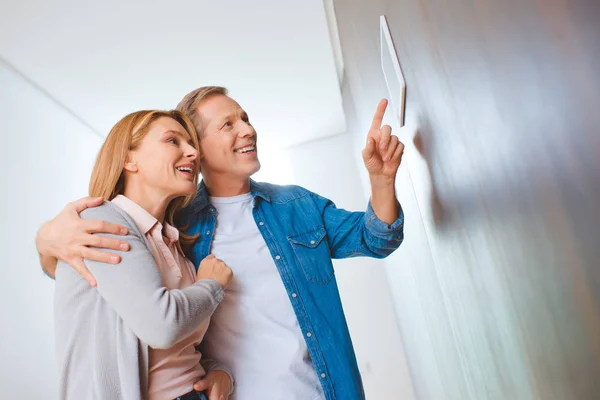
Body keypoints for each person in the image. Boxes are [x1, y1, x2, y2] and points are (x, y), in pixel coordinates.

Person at [37, 86, 405, 400]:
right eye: (228, 124)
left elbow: (375, 238)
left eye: (245, 118)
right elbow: (104, 286)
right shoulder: (180, 227)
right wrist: (48, 241)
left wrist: (381, 179)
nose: (247, 129)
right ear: (201, 148)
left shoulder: (296, 207)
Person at [52, 109, 234, 400]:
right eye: (173, 141)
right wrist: (212, 286)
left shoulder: (175, 244)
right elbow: (161, 326)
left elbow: (178, 348)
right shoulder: (99, 221)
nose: (192, 153)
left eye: (191, 144)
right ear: (128, 159)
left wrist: (216, 371)